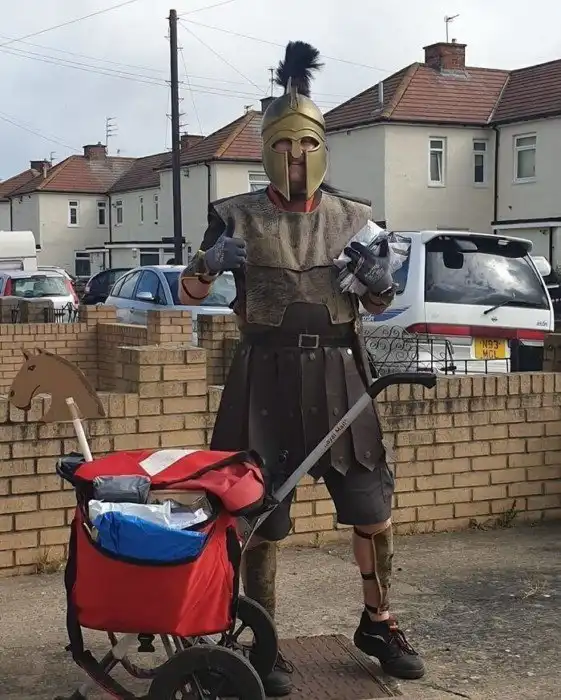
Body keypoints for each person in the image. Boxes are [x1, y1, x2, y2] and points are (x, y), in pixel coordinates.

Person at [178, 40, 425, 697]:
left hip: (341, 376)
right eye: (284, 144)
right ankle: (262, 639)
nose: (295, 156)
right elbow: (190, 293)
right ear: (267, 149)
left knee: (372, 510)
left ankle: (379, 622)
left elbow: (378, 302)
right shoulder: (233, 217)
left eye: (307, 144)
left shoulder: (356, 219)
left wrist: (379, 281)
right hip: (262, 378)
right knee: (259, 521)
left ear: (322, 149)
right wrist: (206, 264)